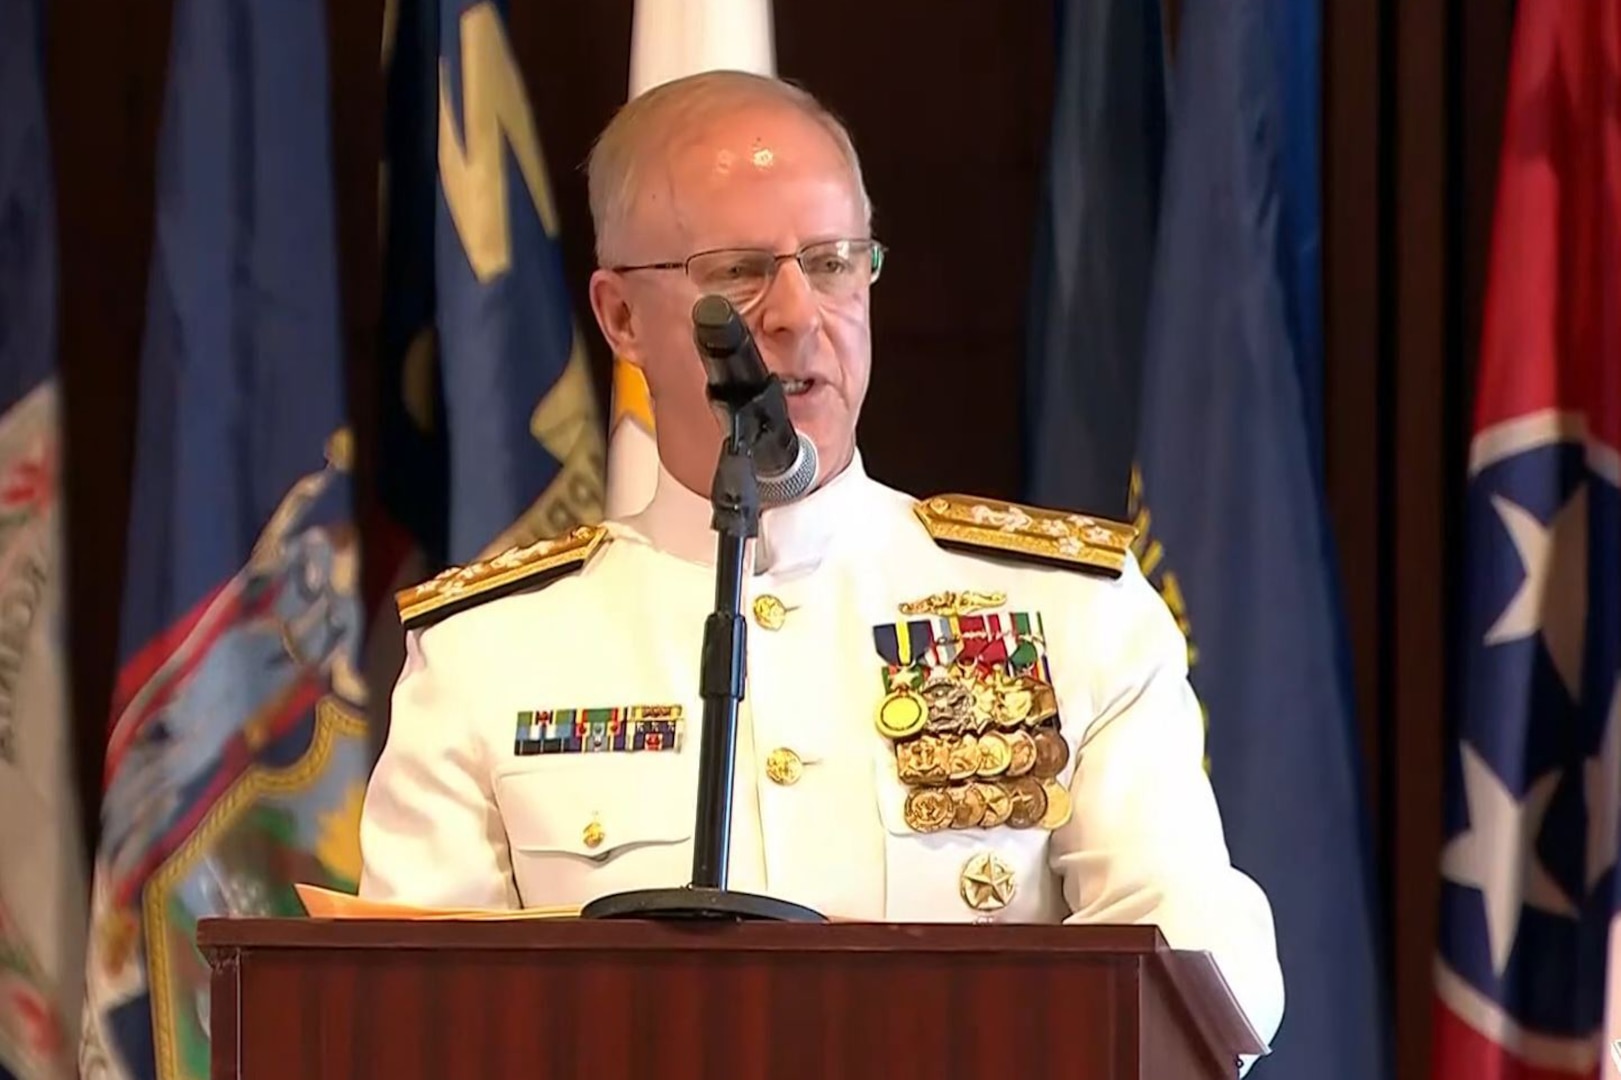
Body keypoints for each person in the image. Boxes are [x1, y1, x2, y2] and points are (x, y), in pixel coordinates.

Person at [357, 69, 1284, 1059]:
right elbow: (402, 1027)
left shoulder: (1074, 613)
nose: (802, 313)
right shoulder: (486, 654)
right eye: (742, 272)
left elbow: (1196, 978)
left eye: (837, 264)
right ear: (621, 316)